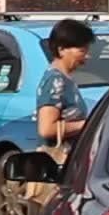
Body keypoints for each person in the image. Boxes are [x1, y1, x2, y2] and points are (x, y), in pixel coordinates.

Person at [35, 18, 96, 152]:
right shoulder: (55, 81)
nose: (87, 56)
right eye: (82, 51)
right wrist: (87, 125)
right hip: (59, 161)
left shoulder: (65, 79)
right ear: (61, 49)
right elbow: (46, 129)